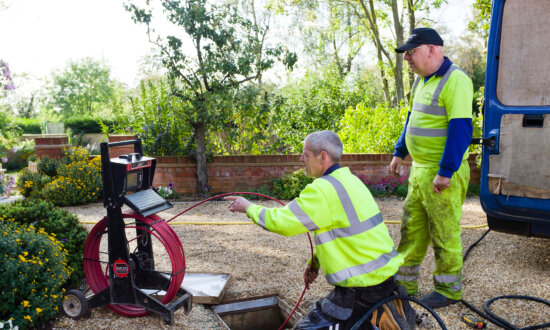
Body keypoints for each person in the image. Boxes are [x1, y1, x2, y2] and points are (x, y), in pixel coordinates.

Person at [226, 130, 407, 329]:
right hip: (385, 279)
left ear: (323, 156)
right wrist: (315, 262)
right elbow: (343, 233)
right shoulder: (351, 180)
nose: (301, 158)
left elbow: (282, 222)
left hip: (361, 288)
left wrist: (249, 207)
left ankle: (371, 320)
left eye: (306, 154)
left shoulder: (322, 189)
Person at [390, 27, 473, 308]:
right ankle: (403, 284)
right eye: (405, 54)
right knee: (411, 229)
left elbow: (460, 130)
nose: (407, 59)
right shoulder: (420, 82)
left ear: (432, 49)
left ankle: (448, 291)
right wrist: (400, 152)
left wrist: (446, 171)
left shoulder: (456, 80)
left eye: (411, 52)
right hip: (420, 171)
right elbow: (412, 120)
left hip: (441, 173)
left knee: (444, 231)